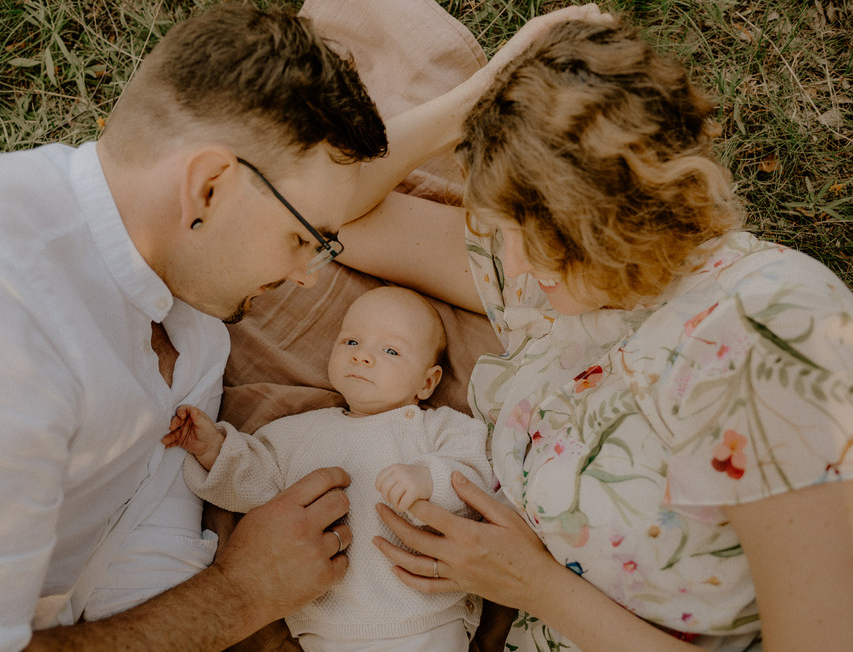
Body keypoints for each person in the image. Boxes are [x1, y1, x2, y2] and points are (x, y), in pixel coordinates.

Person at [0, 1, 608, 649]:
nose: (310, 275)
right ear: (209, 187)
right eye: (304, 239)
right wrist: (239, 596)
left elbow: (135, 511)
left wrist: (485, 90)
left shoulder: (187, 319)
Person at [337, 16, 853, 652]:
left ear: (614, 219)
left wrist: (537, 586)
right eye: (505, 231)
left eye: (534, 238)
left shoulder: (768, 330)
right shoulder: (552, 275)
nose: (515, 263)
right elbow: (323, 212)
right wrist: (482, 96)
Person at [162, 286, 493, 652]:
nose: (363, 357)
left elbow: (475, 477)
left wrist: (429, 478)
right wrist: (214, 449)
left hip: (427, 621)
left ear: (427, 382)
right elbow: (255, 482)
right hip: (328, 629)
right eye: (351, 342)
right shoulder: (300, 432)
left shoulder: (438, 429)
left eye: (390, 350)